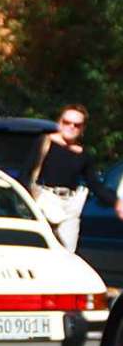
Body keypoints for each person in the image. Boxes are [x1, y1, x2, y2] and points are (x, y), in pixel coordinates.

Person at [25, 104, 123, 251]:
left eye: (76, 125)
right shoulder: (44, 143)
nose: (71, 127)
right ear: (59, 122)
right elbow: (25, 173)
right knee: (41, 251)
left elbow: (95, 185)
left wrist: (116, 203)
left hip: (70, 207)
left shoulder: (83, 154)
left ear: (82, 129)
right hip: (44, 203)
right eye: (66, 122)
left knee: (68, 253)